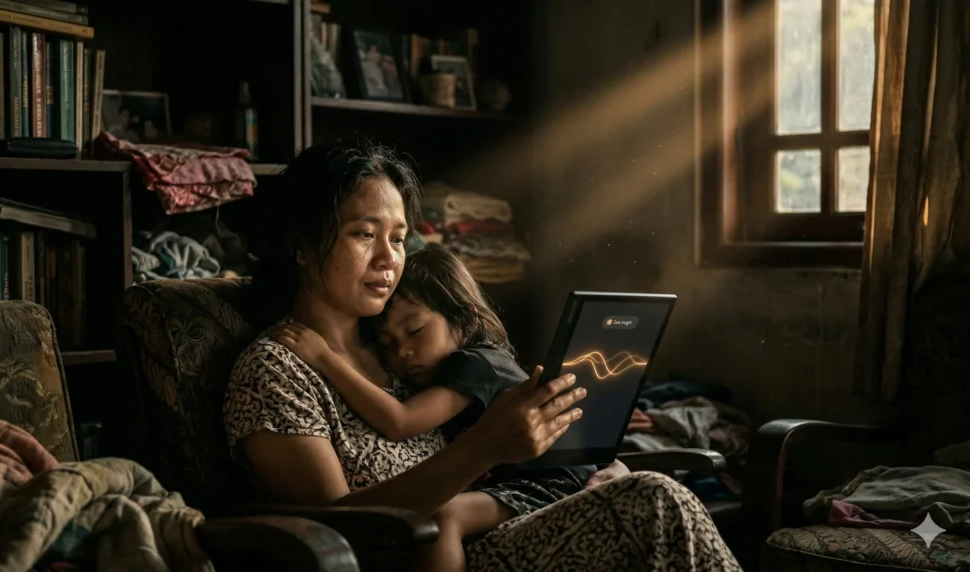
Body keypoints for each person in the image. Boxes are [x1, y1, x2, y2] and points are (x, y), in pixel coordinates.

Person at [223, 138, 741, 571]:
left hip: (506, 522)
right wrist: (484, 448)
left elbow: (508, 442)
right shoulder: (276, 369)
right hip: (438, 555)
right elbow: (331, 528)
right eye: (364, 234)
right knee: (655, 503)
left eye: (398, 239)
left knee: (648, 493)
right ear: (302, 244)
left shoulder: (404, 350)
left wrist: (598, 472)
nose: (388, 259)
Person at [272, 243, 596, 572]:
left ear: (466, 319)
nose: (403, 352)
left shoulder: (475, 363)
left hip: (549, 482)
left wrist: (325, 358)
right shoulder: (443, 371)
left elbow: (400, 421)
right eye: (388, 344)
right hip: (543, 482)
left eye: (415, 331)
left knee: (444, 518)